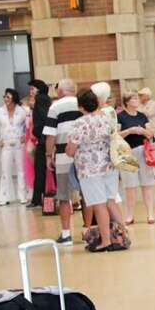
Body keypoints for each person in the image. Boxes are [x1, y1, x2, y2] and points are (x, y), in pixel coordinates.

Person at [66, 90, 126, 252]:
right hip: (109, 165)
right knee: (110, 201)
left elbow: (70, 150)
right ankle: (122, 237)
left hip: (89, 169)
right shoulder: (107, 119)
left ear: (80, 106)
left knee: (99, 204)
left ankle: (106, 241)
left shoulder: (80, 123)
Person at [43, 78, 86, 246]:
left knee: (64, 195)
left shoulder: (55, 107)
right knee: (86, 194)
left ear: (60, 91)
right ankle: (87, 229)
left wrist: (48, 155)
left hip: (62, 156)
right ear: (74, 90)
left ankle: (66, 234)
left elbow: (50, 134)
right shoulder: (81, 103)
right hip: (82, 155)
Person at [118, 90, 155, 225]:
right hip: (127, 152)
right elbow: (116, 135)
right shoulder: (120, 117)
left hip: (142, 151)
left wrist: (143, 131)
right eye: (134, 98)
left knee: (147, 184)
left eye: (137, 98)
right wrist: (129, 131)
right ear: (127, 101)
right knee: (130, 186)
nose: (137, 100)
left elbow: (150, 133)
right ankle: (130, 215)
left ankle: (150, 213)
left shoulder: (142, 116)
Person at [0, 88, 30, 206]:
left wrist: (26, 137)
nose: (6, 99)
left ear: (14, 98)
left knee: (21, 169)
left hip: (19, 143)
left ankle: (23, 195)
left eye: (8, 97)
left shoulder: (23, 111)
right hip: (6, 144)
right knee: (5, 170)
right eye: (5, 97)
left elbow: (29, 125)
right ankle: (4, 196)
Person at [28, 80, 51, 207]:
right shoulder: (45, 99)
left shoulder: (41, 99)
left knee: (40, 169)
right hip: (45, 137)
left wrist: (37, 132)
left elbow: (42, 118)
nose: (31, 92)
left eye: (33, 89)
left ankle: (37, 199)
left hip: (43, 139)